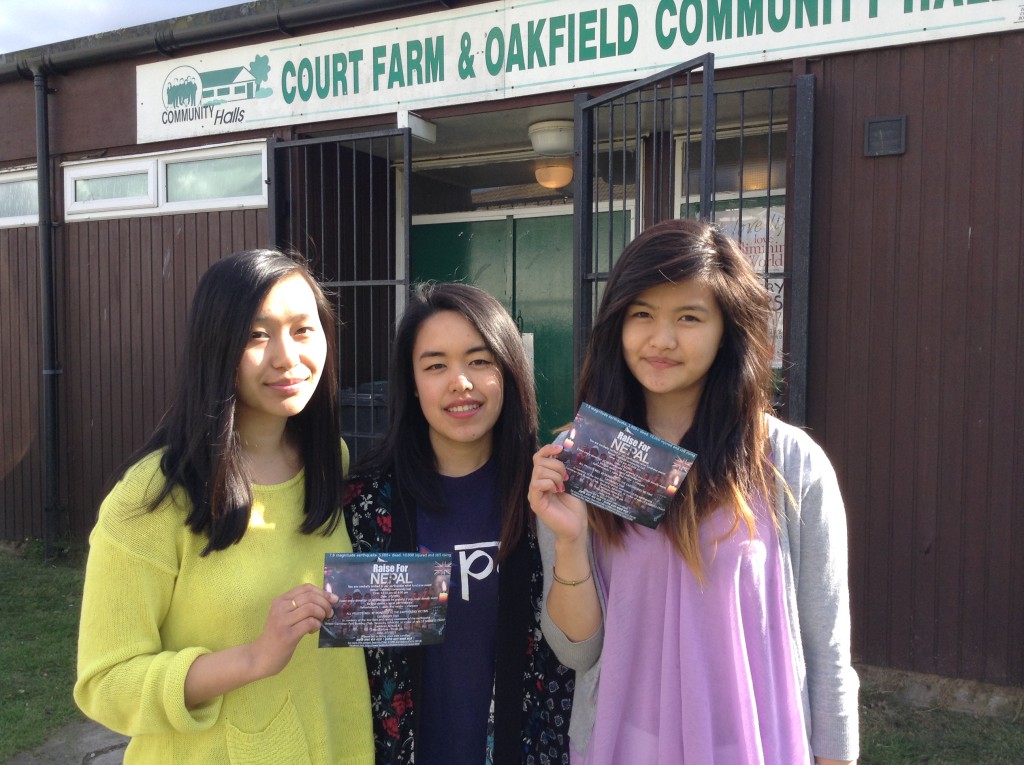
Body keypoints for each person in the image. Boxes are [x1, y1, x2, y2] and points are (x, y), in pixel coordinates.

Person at [529, 219, 859, 764]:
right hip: (623, 745)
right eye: (642, 315)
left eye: (689, 317)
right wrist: (569, 540)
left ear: (727, 329)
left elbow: (827, 648)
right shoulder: (585, 458)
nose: (662, 340)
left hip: (753, 747)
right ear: (617, 326)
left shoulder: (788, 463)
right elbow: (576, 652)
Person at [74, 250, 374, 764]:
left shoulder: (331, 462)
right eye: (257, 335)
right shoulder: (152, 498)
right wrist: (254, 658)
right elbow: (105, 683)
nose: (286, 357)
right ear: (215, 346)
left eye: (304, 330)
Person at [344, 282, 574, 765]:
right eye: (435, 365)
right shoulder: (367, 503)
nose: (460, 382)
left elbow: (578, 648)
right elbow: (368, 663)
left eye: (479, 360)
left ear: (508, 372)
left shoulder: (549, 497)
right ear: (411, 382)